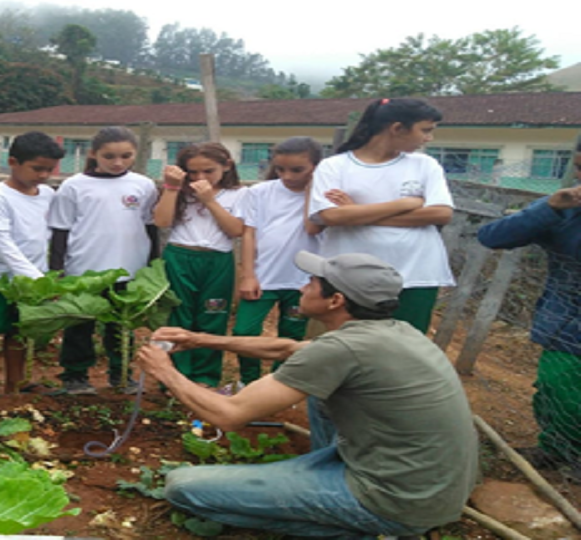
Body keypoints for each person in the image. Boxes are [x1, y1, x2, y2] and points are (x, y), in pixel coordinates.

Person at [138, 251, 478, 537]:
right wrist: (200, 339)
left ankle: (352, 523)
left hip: (393, 501)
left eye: (311, 283)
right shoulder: (392, 331)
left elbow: (229, 415)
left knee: (184, 487)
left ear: (335, 300)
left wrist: (165, 371)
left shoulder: (342, 349)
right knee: (318, 390)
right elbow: (287, 348)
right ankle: (324, 479)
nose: (302, 287)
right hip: (431, 487)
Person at [478, 139, 581, 479]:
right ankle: (557, 450)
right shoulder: (563, 209)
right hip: (570, 325)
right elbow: (493, 236)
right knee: (559, 390)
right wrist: (549, 207)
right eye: (580, 169)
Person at [307, 97, 454, 334]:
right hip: (347, 276)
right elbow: (330, 217)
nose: (429, 138)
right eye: (425, 130)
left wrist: (355, 212)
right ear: (397, 128)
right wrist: (406, 203)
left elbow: (441, 213)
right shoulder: (334, 166)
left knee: (404, 347)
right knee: (338, 345)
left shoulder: (425, 165)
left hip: (415, 273)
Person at [48, 126, 158, 395]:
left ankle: (121, 376)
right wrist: (56, 272)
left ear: (136, 154)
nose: (117, 162)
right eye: (109, 156)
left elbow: (151, 227)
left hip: (129, 269)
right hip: (84, 270)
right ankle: (75, 376)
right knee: (79, 326)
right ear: (94, 154)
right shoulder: (73, 186)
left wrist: (154, 266)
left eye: (126, 156)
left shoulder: (143, 185)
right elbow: (60, 231)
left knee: (121, 327)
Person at [0, 131, 65, 399]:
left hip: (30, 277)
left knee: (19, 330)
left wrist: (39, 276)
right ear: (13, 162)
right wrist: (36, 278)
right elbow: (2, 243)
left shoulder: (46, 194)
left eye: (49, 169)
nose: (43, 175)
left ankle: (16, 382)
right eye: (37, 168)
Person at [153, 142, 246, 390]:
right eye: (193, 172)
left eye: (208, 171)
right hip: (180, 256)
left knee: (213, 315)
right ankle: (175, 376)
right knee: (178, 314)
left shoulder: (239, 194)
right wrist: (172, 187)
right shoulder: (180, 192)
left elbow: (236, 230)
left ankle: (205, 377)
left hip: (218, 260)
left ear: (226, 166)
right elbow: (161, 221)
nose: (199, 178)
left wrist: (210, 201)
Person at [232, 137, 324, 387]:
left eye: (297, 170)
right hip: (264, 277)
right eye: (281, 169)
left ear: (316, 166)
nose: (287, 176)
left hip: (302, 281)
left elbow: (314, 227)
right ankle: (248, 382)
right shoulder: (259, 192)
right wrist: (248, 274)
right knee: (244, 332)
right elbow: (249, 233)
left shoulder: (325, 197)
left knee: (292, 334)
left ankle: (279, 383)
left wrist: (313, 193)